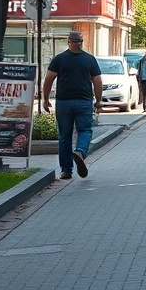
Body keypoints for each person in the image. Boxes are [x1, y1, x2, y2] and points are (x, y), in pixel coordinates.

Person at [42, 31, 103, 180]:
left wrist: (45, 99)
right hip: (83, 101)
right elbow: (98, 80)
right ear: (81, 43)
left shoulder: (60, 59)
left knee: (64, 136)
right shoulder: (89, 59)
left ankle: (66, 171)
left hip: (63, 102)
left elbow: (48, 79)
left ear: (69, 42)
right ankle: (80, 152)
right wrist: (99, 100)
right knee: (85, 130)